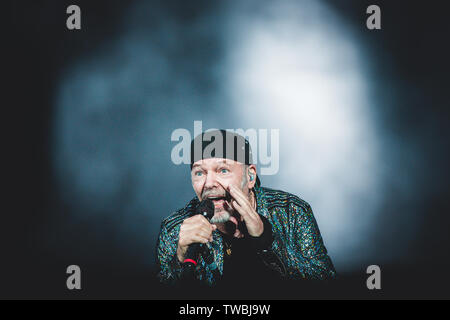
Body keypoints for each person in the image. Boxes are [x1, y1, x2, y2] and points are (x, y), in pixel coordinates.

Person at [156, 130, 336, 296]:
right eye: (199, 173)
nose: (209, 183)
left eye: (223, 170)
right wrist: (180, 259)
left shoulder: (292, 211)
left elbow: (326, 284)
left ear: (250, 177)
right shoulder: (175, 228)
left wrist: (265, 238)